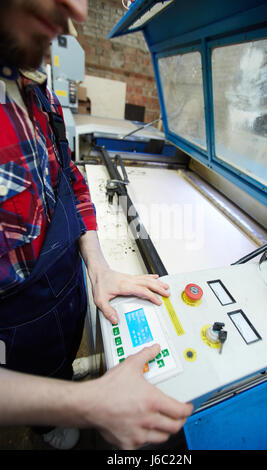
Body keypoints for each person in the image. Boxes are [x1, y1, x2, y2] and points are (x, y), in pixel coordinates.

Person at [0, 0, 193, 450]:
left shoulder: (29, 84)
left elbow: (68, 179)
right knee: (57, 428)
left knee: (60, 366)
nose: (80, 11)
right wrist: (84, 405)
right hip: (16, 334)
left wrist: (100, 268)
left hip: (67, 299)